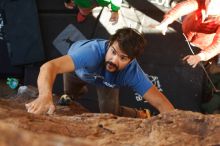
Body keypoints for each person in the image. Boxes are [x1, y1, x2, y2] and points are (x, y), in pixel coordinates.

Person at [25, 27, 174, 118]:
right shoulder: (90, 53)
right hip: (78, 72)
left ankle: (141, 114)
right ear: (109, 44)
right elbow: (49, 67)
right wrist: (44, 95)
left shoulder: (132, 73)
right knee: (68, 97)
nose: (114, 61)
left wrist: (177, 127)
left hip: (106, 83)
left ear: (131, 61)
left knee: (111, 114)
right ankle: (75, 92)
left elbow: (162, 104)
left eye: (123, 58)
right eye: (113, 52)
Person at [153, 0, 220, 113]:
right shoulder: (201, 3)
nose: (208, 8)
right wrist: (166, 21)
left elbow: (218, 44)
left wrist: (201, 56)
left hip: (203, 43)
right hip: (187, 28)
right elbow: (183, 7)